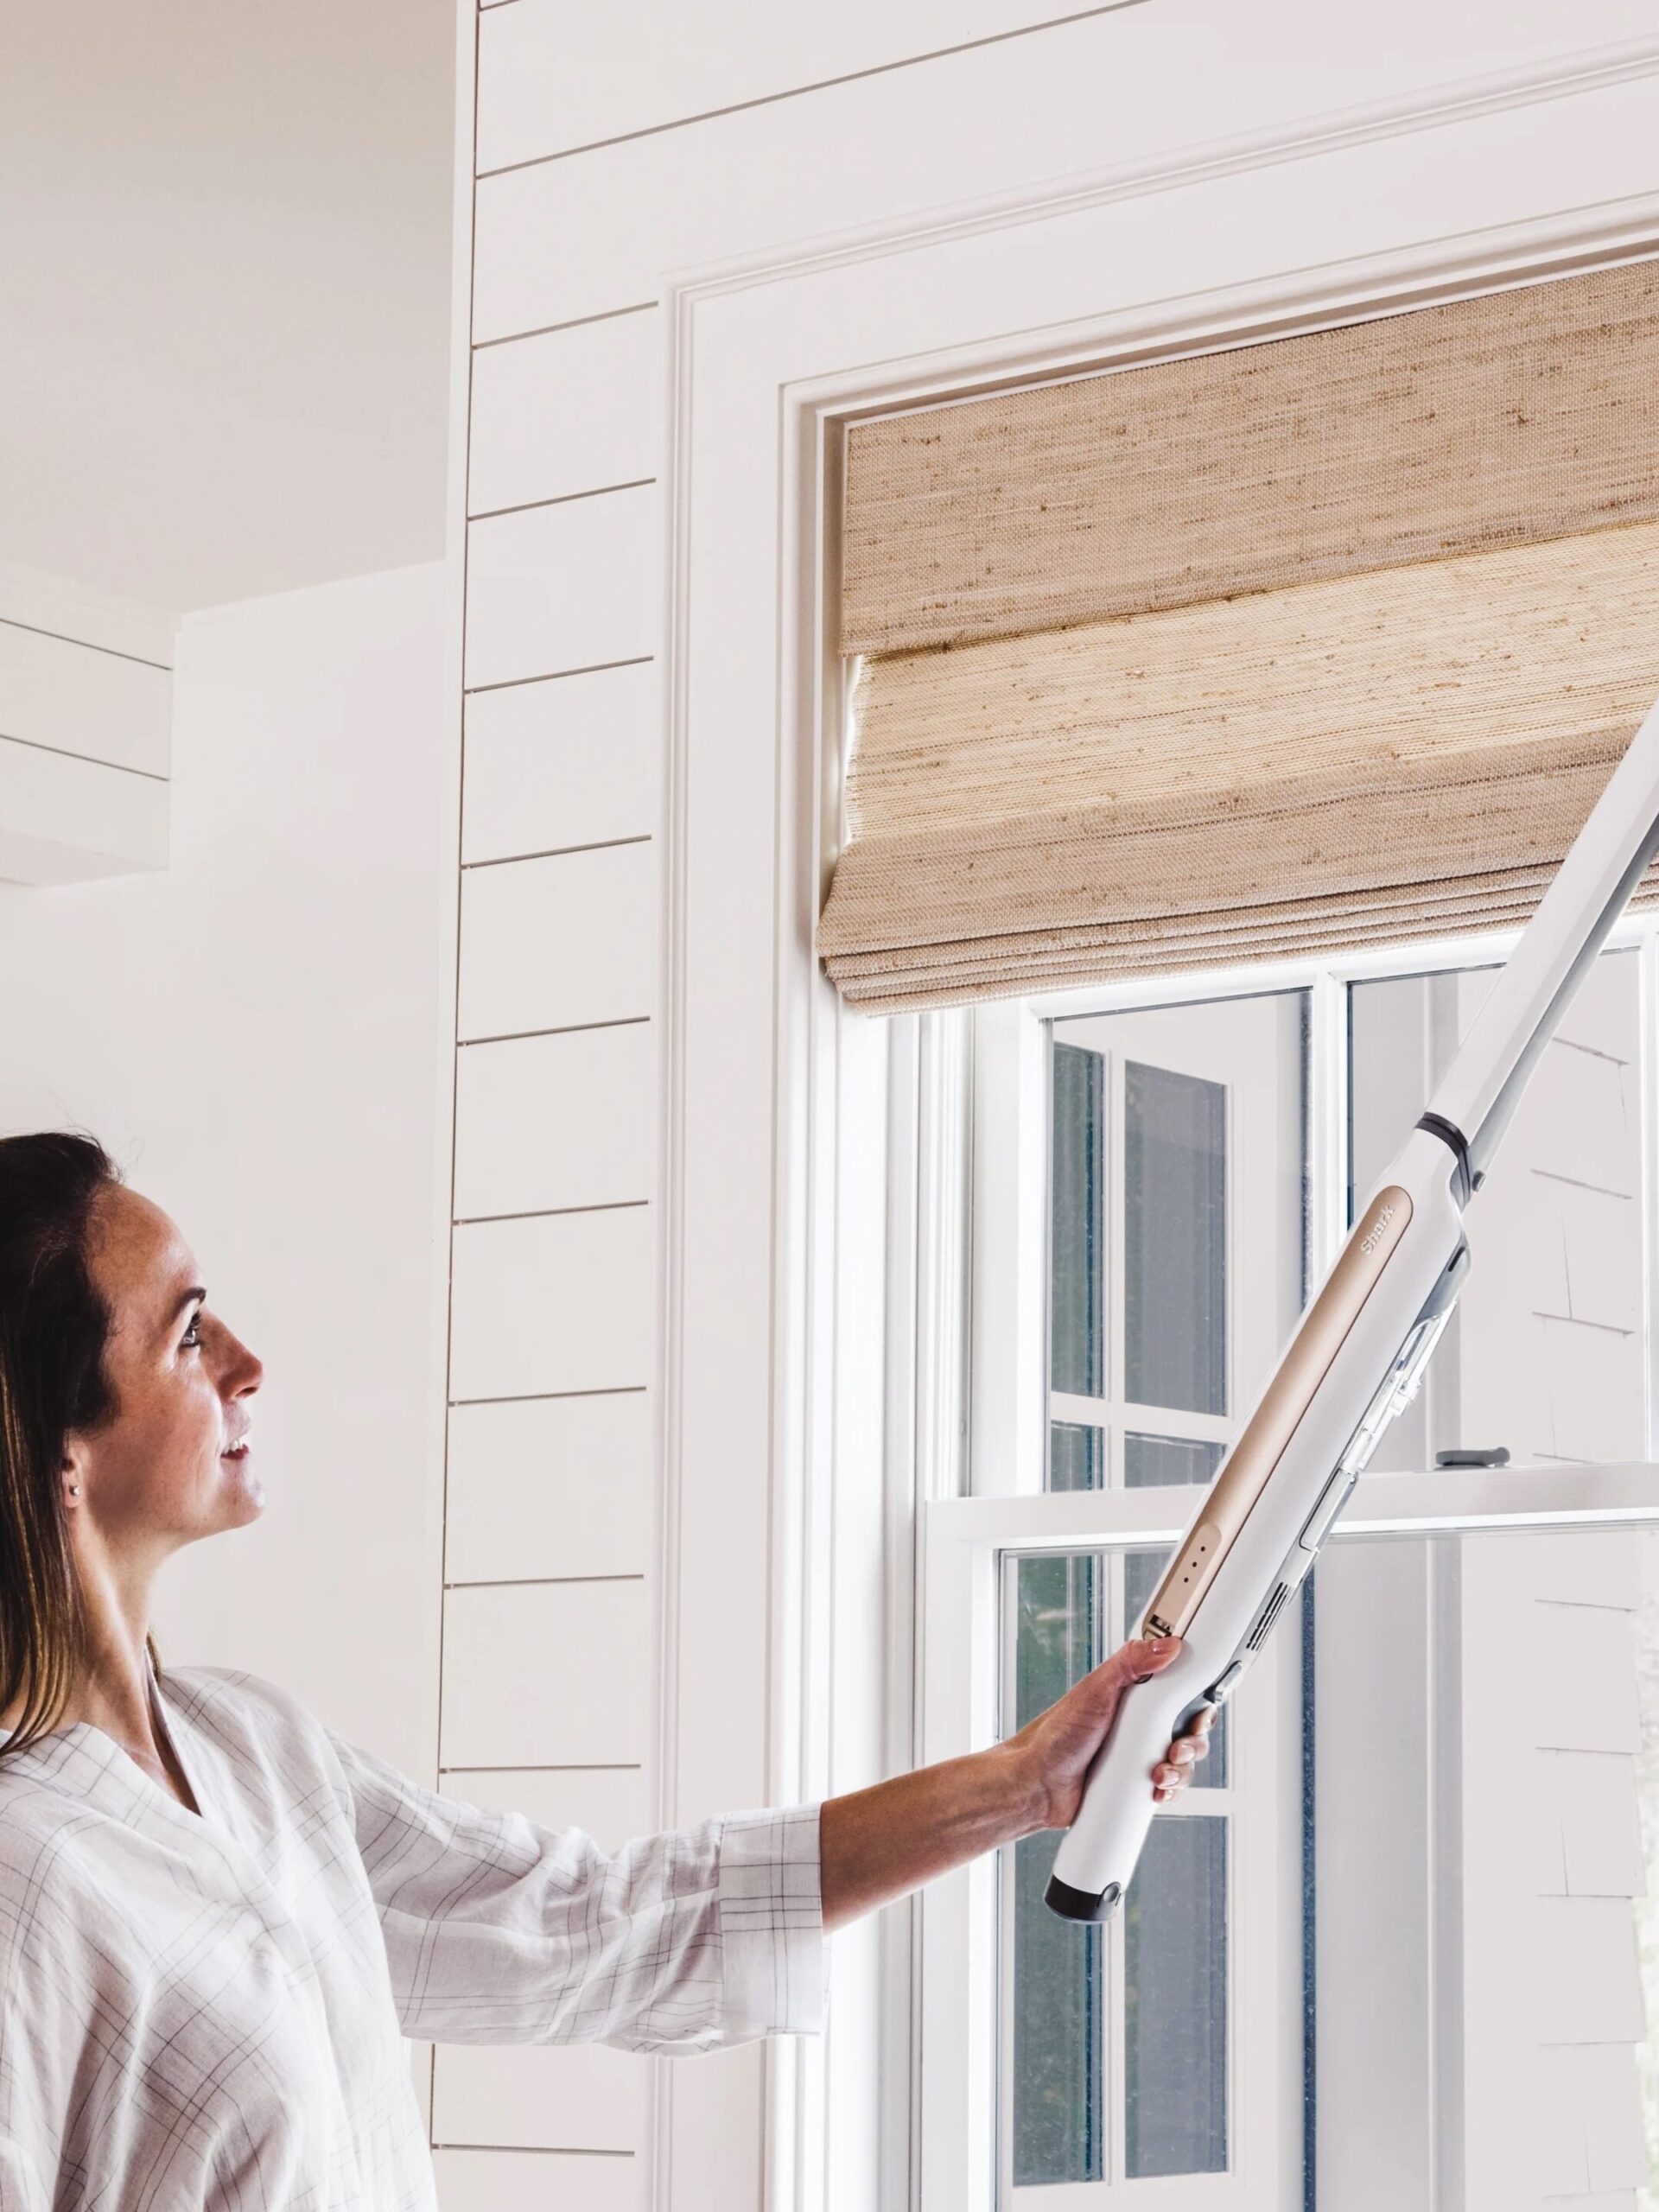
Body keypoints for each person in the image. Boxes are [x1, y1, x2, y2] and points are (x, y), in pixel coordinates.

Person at [0, 1130, 1211, 2209]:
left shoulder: (252, 1751)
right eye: (190, 1332)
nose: (248, 1363)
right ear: (61, 1446)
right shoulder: (25, 1879)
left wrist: (1022, 1785)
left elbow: (593, 1925)